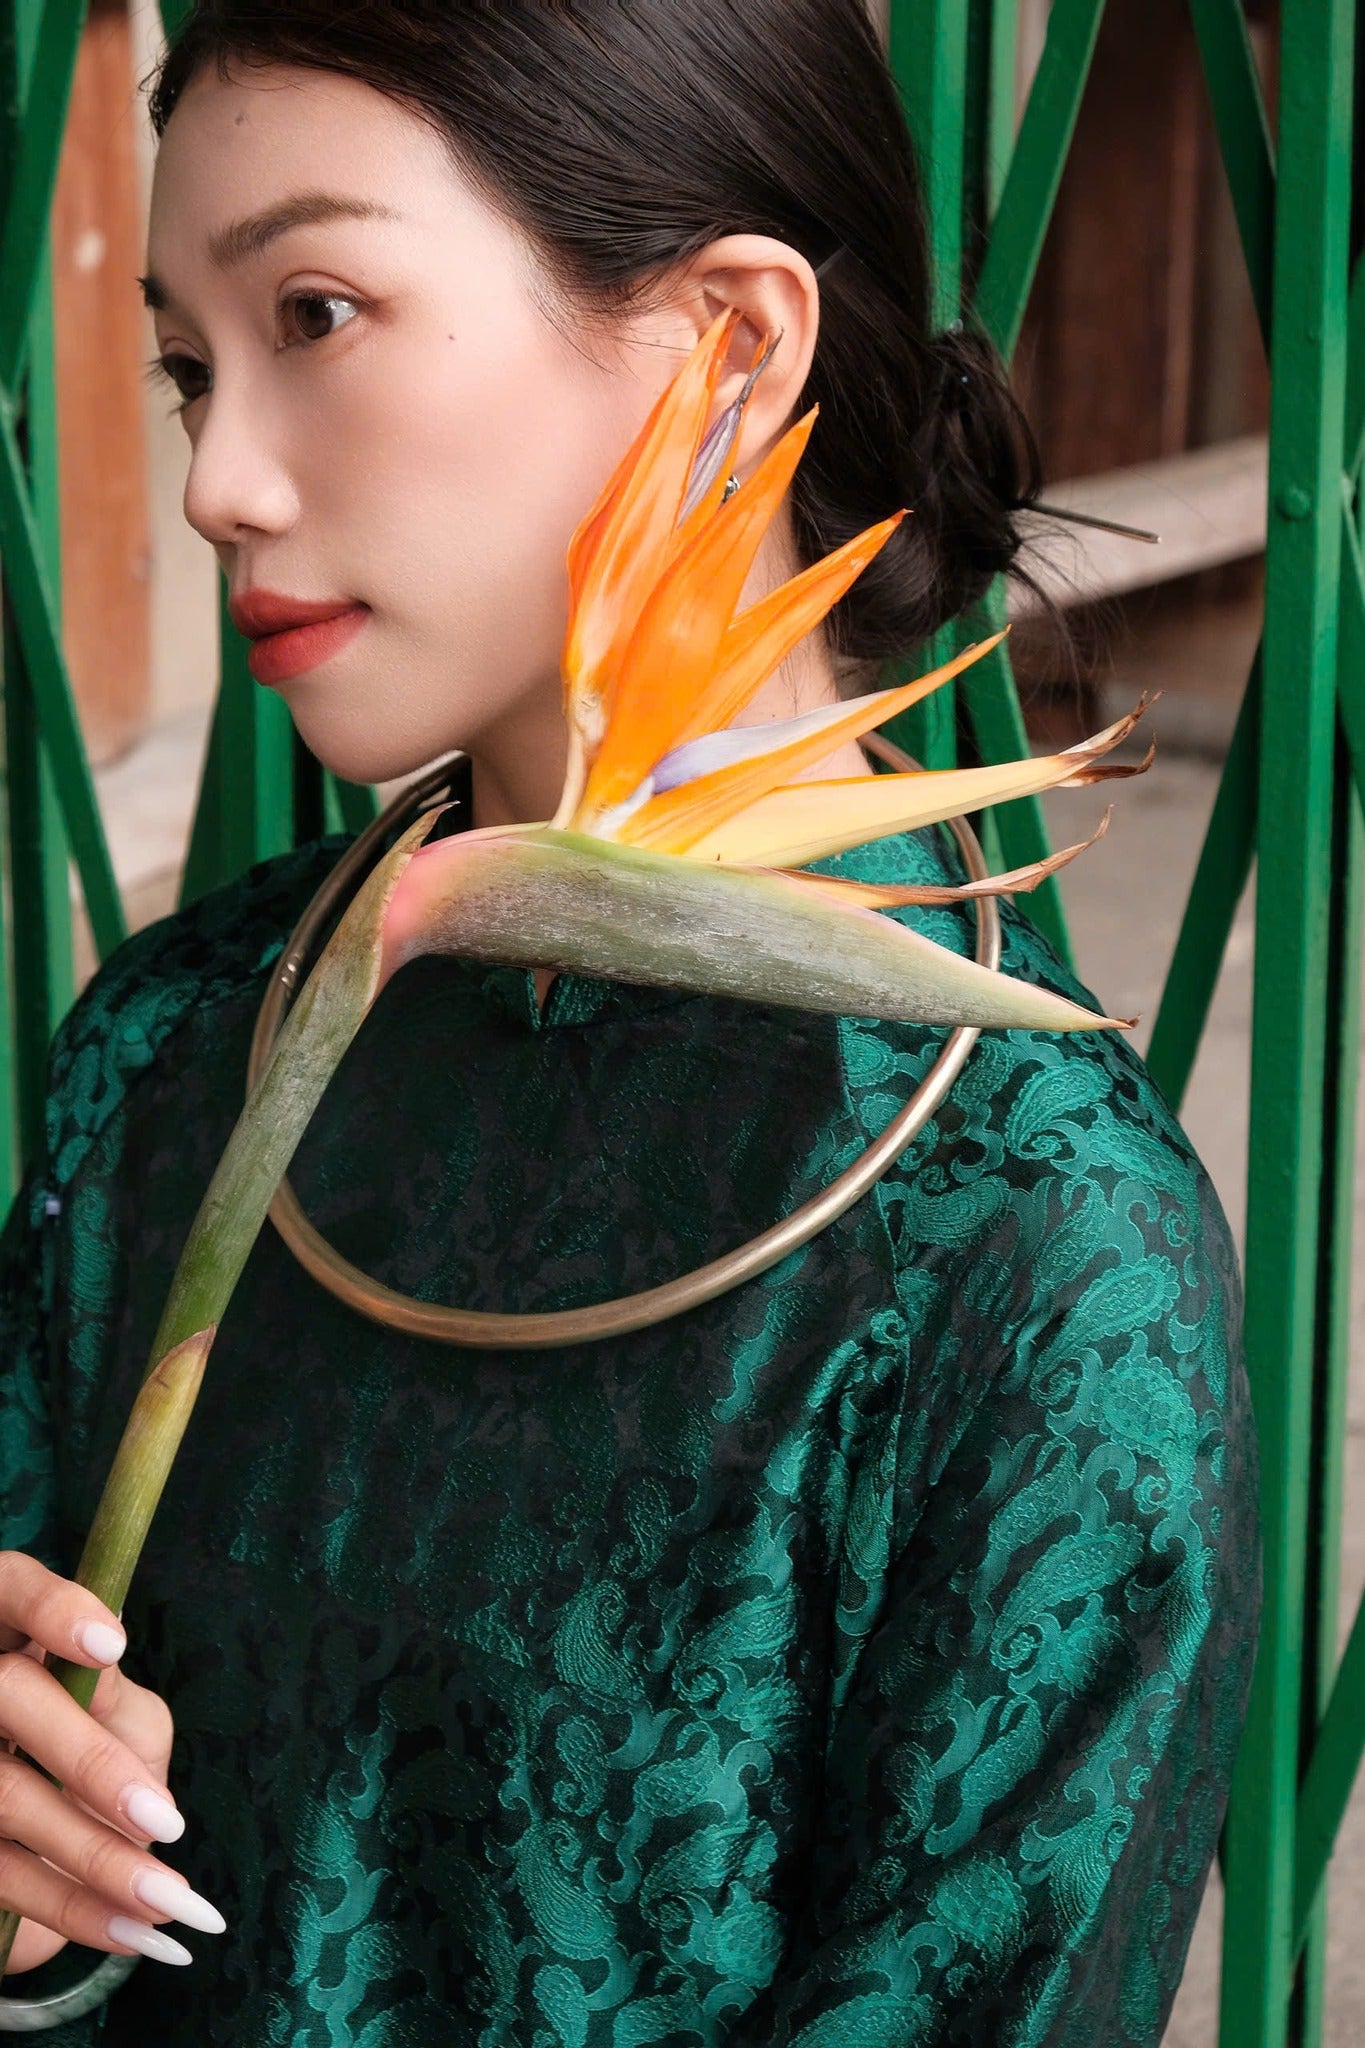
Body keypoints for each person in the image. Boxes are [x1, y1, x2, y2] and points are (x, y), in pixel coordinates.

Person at [0, 3, 1258, 2043]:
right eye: (184, 365)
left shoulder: (1030, 1252)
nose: (220, 477)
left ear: (731, 344)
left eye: (312, 311)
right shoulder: (170, 1046)